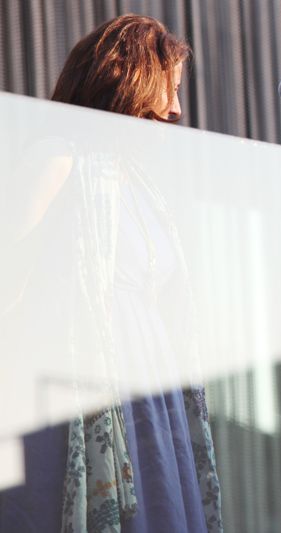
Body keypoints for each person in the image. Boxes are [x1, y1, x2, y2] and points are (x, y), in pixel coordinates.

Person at [0, 14, 222, 532]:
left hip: (150, 401)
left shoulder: (141, 187)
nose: (176, 108)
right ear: (129, 82)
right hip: (77, 396)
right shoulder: (59, 160)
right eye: (167, 88)